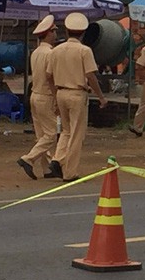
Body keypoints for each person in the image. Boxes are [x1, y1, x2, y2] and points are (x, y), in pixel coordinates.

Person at [46, 12, 107, 182]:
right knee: (76, 134)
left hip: (60, 92)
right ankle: (70, 171)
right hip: (77, 94)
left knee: (66, 131)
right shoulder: (84, 50)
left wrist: (54, 95)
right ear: (83, 32)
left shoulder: (56, 51)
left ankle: (57, 159)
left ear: (66, 31)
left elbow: (48, 76)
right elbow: (91, 76)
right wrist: (101, 97)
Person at [17, 15, 62, 180]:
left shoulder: (35, 52)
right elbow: (51, 78)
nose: (56, 34)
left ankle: (47, 169)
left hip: (34, 95)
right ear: (49, 33)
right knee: (50, 135)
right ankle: (28, 159)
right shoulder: (50, 53)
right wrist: (57, 97)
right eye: (54, 31)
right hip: (46, 96)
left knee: (41, 134)